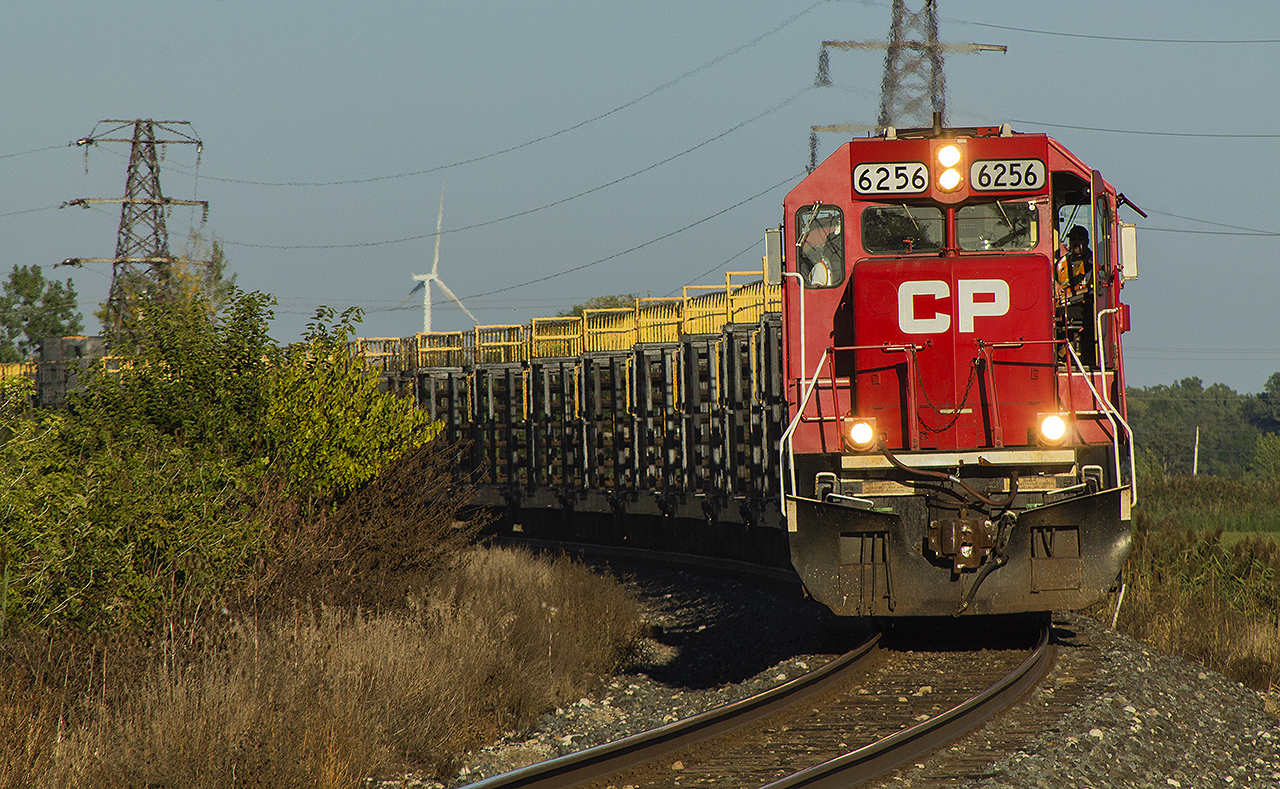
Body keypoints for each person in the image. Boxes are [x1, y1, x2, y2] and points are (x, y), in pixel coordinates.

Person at [1056, 225, 1092, 299]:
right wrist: (1054, 283)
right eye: (1073, 239)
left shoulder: (1093, 262)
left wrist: (1070, 294)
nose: (1076, 242)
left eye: (1080, 239)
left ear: (1087, 241)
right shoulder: (1061, 261)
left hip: (1082, 304)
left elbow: (1094, 287)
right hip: (1060, 304)